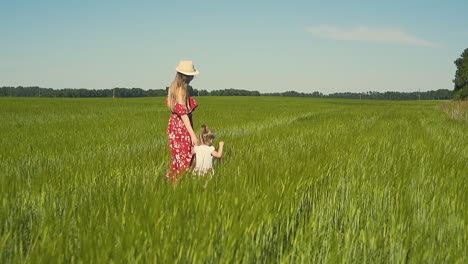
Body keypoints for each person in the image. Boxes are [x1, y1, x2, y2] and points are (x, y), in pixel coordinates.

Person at [166, 61, 199, 182]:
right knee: (186, 157)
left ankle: (175, 183)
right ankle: (178, 184)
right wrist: (193, 135)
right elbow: (184, 114)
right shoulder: (181, 90)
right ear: (186, 76)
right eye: (191, 75)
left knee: (178, 157)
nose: (193, 77)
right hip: (181, 128)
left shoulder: (174, 87)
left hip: (175, 126)